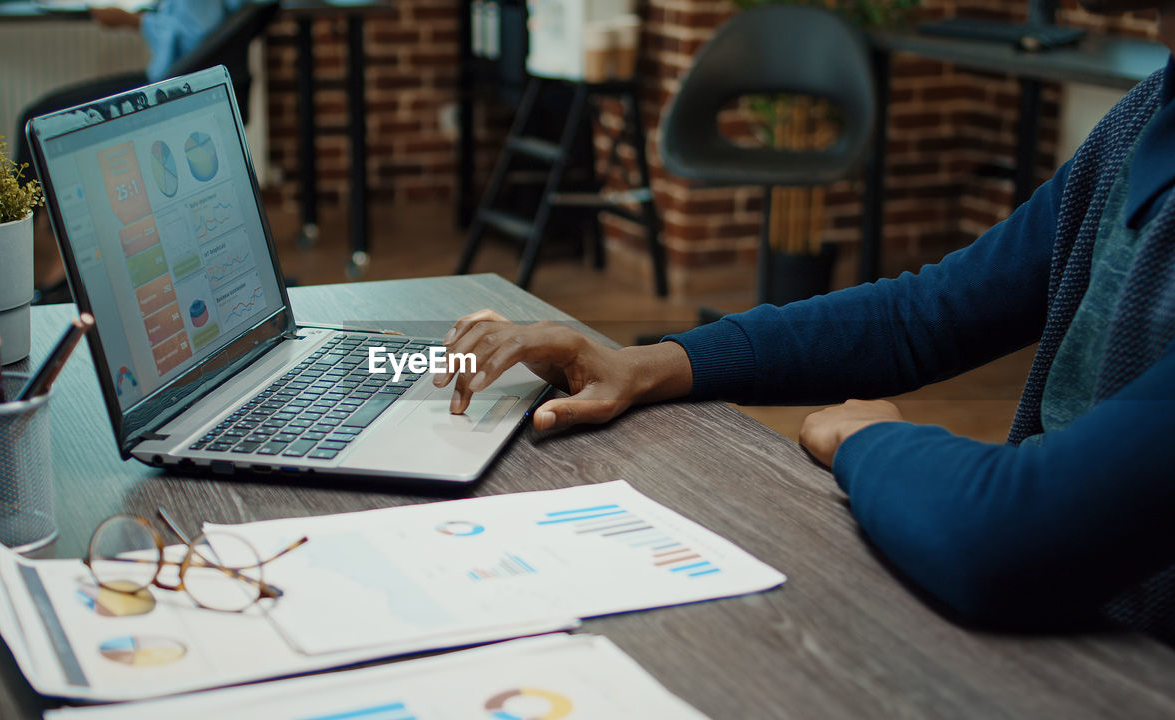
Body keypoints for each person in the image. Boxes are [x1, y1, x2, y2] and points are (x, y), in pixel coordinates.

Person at [434, 0, 1175, 643]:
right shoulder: (1147, 116)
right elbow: (925, 315)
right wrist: (644, 363)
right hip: (1066, 637)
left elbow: (1007, 536)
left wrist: (866, 437)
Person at [17, 0, 248, 297]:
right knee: (40, 114)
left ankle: (20, 262)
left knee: (34, 121)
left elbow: (193, 33)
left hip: (175, 84)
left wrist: (133, 21)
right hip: (180, 78)